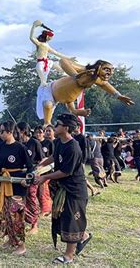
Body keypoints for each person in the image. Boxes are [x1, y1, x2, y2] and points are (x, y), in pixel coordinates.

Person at [35, 113, 91, 264]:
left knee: (71, 220)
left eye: (57, 124)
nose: (54, 126)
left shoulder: (73, 147)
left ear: (66, 128)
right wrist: (41, 164)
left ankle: (69, 256)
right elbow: (54, 157)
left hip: (74, 191)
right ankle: (84, 235)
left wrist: (45, 177)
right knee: (61, 218)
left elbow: (65, 172)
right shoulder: (60, 141)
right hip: (64, 188)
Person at [36, 58, 134, 126]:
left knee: (70, 100)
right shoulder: (85, 70)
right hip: (51, 91)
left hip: (68, 98)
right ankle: (47, 123)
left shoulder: (96, 79)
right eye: (107, 70)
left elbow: (105, 84)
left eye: (111, 71)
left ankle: (74, 111)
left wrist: (118, 95)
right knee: (48, 105)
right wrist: (75, 75)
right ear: (99, 67)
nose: (109, 74)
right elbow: (62, 61)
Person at [0, 121, 34, 255]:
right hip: (5, 183)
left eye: (2, 131)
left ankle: (21, 245)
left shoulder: (20, 148)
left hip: (17, 184)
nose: (0, 133)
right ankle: (11, 238)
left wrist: (26, 179)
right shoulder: (0, 146)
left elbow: (30, 167)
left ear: (10, 132)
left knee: (16, 216)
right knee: (1, 213)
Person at [17, 122, 45, 235]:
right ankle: (22, 221)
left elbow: (42, 159)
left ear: (23, 131)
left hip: (32, 174)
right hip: (19, 175)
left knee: (31, 198)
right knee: (20, 199)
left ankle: (35, 225)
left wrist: (35, 171)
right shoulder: (18, 144)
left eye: (17, 130)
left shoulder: (34, 143)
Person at [29, 20, 74, 87]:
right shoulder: (40, 44)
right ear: (47, 37)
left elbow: (56, 53)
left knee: (60, 69)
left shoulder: (47, 46)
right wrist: (34, 26)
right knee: (43, 81)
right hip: (40, 64)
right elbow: (31, 37)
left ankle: (67, 74)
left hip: (47, 62)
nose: (51, 38)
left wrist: (69, 58)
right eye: (51, 37)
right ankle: (44, 83)